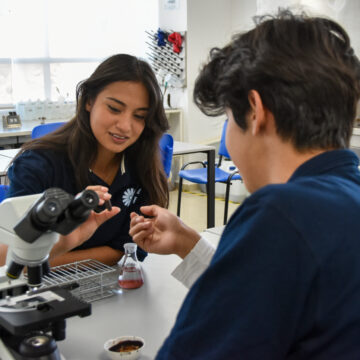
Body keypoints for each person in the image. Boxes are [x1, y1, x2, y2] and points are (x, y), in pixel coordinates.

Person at [129, 10, 360, 359]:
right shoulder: (344, 199)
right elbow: (282, 299)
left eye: (227, 120)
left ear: (255, 112)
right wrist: (190, 243)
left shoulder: (282, 213)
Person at [0, 54, 169, 267]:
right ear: (89, 100)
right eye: (114, 109)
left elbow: (130, 249)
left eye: (139, 116)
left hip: (111, 288)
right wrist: (63, 246)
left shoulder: (141, 168)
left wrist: (44, 257)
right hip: (37, 291)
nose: (125, 126)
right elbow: (10, 258)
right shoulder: (38, 165)